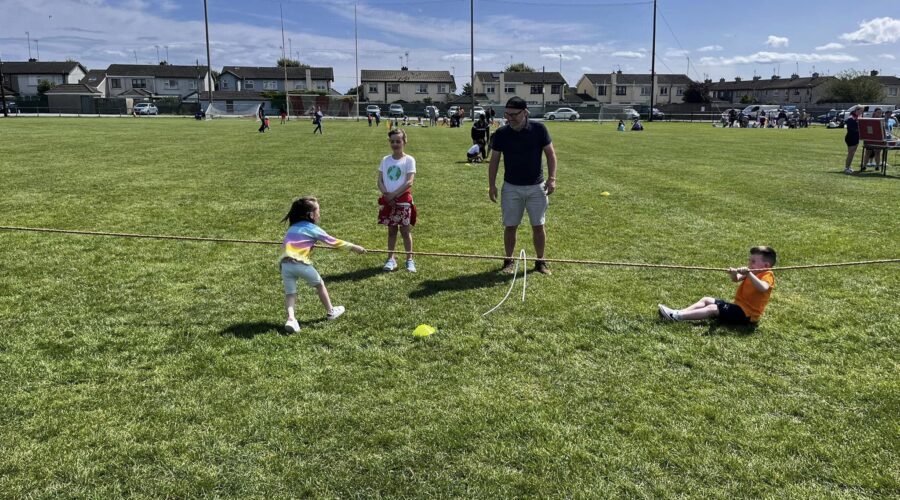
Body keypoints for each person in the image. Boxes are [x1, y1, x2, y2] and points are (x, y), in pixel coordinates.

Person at [488, 96, 557, 275]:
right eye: (507, 114)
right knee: (510, 226)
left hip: (537, 187)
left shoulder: (539, 129)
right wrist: (492, 185)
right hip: (511, 187)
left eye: (514, 115)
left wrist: (552, 178)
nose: (509, 118)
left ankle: (540, 261)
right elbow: (494, 160)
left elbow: (550, 154)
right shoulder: (502, 133)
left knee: (538, 225)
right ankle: (508, 261)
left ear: (525, 112)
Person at [279, 196, 366, 333]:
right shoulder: (312, 228)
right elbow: (332, 241)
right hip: (301, 264)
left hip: (285, 265)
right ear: (311, 215)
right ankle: (331, 312)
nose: (319, 214)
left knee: (290, 294)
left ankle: (291, 319)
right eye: (318, 211)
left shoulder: (292, 228)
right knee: (319, 285)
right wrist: (353, 247)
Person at [658, 246, 777, 325]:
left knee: (713, 309)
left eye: (753, 262)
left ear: (766, 265)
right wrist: (734, 273)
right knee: (706, 300)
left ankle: (678, 317)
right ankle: (679, 313)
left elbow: (762, 287)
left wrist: (749, 273)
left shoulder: (768, 275)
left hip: (747, 316)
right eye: (749, 260)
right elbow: (736, 279)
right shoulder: (753, 272)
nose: (749, 264)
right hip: (739, 308)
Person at [377, 128, 417, 273]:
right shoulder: (385, 160)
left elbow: (409, 182)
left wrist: (393, 195)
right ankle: (390, 259)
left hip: (403, 201)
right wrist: (386, 195)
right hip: (389, 201)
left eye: (398, 141)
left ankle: (409, 259)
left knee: (405, 232)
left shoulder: (409, 160)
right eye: (392, 141)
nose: (395, 144)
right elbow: (380, 181)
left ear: (404, 141)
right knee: (391, 231)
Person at [843, 107, 861, 174]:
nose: (861, 112)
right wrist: (860, 130)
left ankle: (849, 167)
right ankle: (846, 168)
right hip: (851, 137)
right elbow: (851, 128)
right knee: (850, 153)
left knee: (852, 154)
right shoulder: (851, 118)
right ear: (856, 110)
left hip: (856, 137)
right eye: (860, 110)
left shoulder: (857, 117)